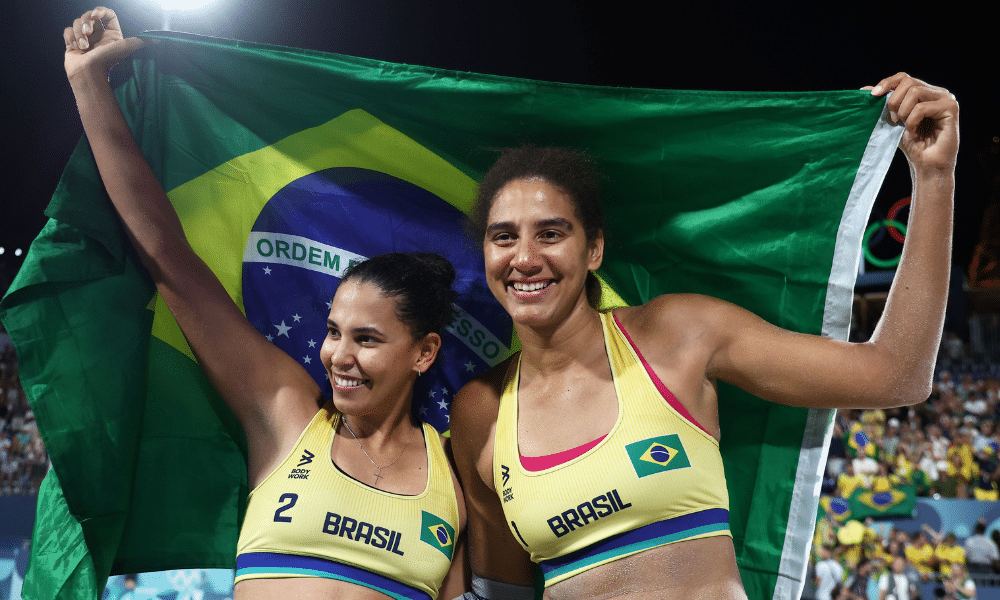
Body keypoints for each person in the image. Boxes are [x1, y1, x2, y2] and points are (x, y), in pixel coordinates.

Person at [452, 68, 959, 598]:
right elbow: (502, 592)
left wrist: (934, 176)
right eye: (503, 237)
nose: (526, 258)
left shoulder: (677, 334)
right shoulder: (481, 411)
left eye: (551, 233)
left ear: (594, 249)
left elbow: (897, 375)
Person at [62, 8, 466, 600]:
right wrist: (88, 84)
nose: (338, 355)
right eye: (334, 331)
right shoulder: (286, 415)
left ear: (425, 351)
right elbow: (168, 257)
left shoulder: (457, 477)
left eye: (368, 338)